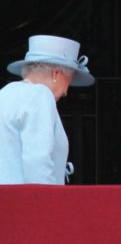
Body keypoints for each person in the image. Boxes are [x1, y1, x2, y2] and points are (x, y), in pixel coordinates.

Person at [0, 35, 94, 184]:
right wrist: (49, 203)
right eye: (68, 82)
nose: (66, 92)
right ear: (56, 74)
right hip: (26, 203)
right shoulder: (40, 95)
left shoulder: (5, 93)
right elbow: (38, 161)